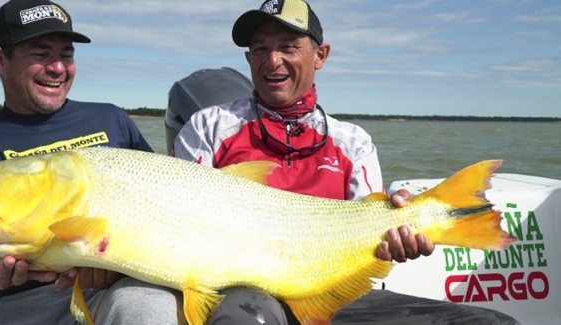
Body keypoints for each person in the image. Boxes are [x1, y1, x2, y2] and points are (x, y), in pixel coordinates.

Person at [173, 0, 521, 324]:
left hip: (332, 290)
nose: (272, 59)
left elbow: (373, 235)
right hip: (240, 291)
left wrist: (397, 239)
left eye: (288, 46)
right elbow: (177, 222)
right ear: (249, 59)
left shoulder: (353, 142)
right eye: (261, 48)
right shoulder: (208, 127)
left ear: (320, 55)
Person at [0, 0, 184, 324]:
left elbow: (164, 202)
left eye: (66, 54)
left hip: (113, 291)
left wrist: (112, 267)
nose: (57, 67)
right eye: (41, 54)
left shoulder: (111, 118)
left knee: (146, 306)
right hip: (16, 304)